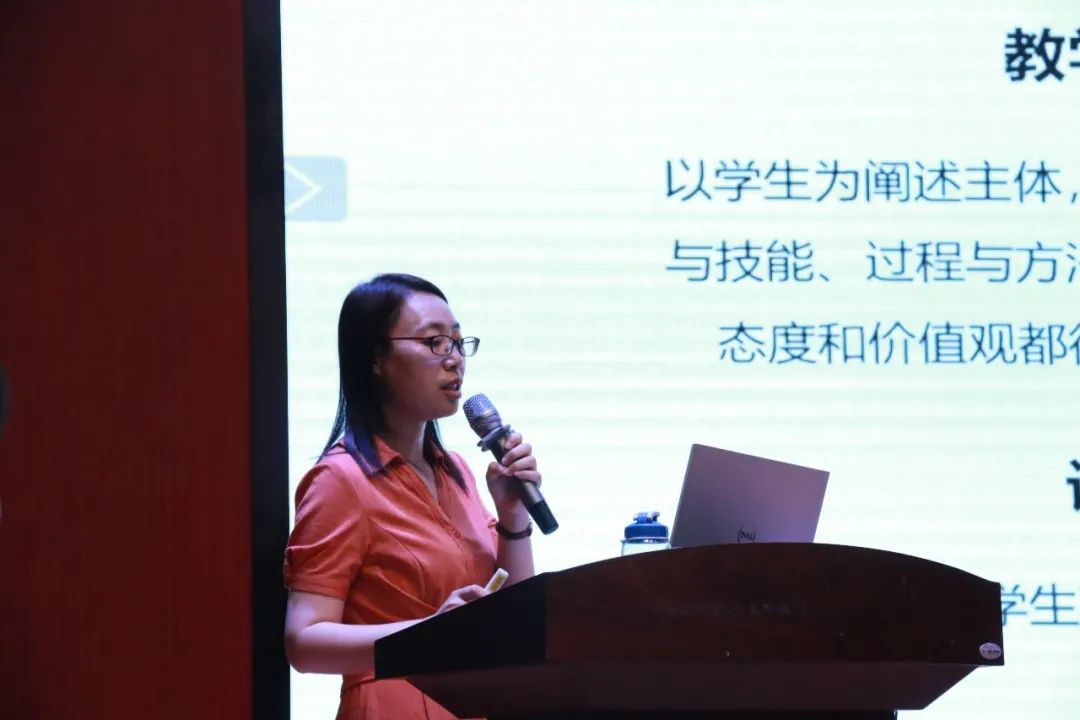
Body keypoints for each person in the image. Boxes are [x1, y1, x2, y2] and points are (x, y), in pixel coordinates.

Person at [284, 273, 541, 720]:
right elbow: (304, 642)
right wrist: (427, 633)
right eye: (434, 342)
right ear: (376, 359)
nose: (455, 359)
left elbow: (515, 615)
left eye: (458, 342)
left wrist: (513, 517)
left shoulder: (456, 471)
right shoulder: (340, 480)